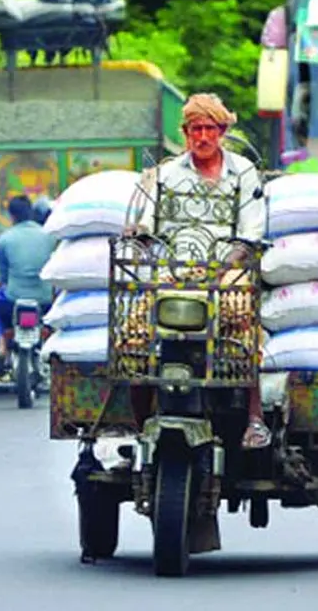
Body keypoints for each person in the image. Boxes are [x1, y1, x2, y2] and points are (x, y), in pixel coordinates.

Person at [128, 93, 270, 449]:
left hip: (226, 268)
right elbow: (146, 227)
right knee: (132, 333)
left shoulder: (243, 173)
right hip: (173, 268)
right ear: (186, 133)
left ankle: (254, 418)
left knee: (243, 324)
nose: (202, 137)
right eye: (195, 130)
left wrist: (220, 271)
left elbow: (250, 235)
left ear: (221, 131)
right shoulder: (165, 175)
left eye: (209, 129)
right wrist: (144, 243)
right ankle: (138, 424)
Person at [0, 195, 57, 363]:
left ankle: (2, 346)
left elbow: (4, 277)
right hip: (46, 297)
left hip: (15, 297)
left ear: (11, 216)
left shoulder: (5, 239)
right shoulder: (49, 236)